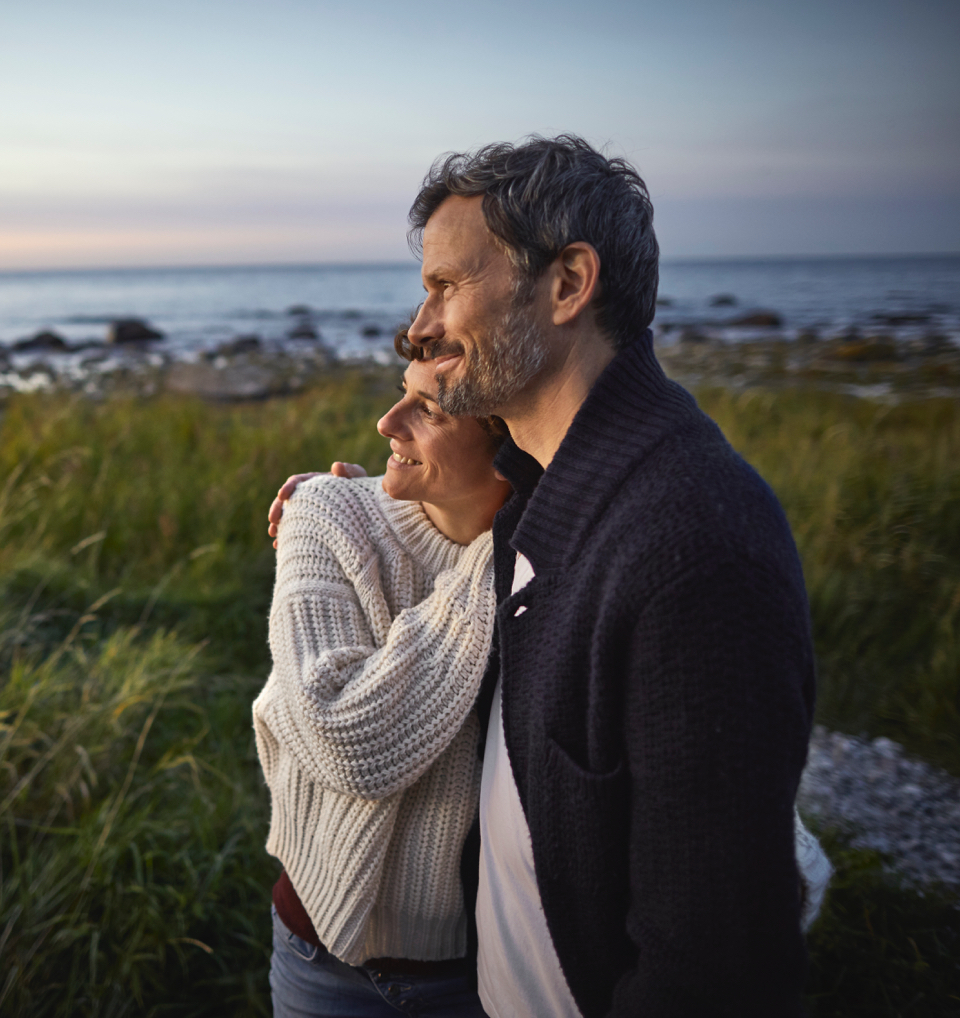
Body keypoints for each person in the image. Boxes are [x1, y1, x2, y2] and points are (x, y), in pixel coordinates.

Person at [399, 135, 818, 1018]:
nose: (420, 326)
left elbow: (713, 971)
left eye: (446, 285)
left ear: (567, 284)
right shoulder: (547, 490)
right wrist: (337, 511)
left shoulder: (696, 546)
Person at [253, 349, 511, 1017]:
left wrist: (513, 544)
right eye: (403, 393)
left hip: (485, 972)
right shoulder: (326, 511)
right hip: (322, 962)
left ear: (514, 443)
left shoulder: (550, 564)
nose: (385, 422)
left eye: (429, 410)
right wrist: (498, 559)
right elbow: (346, 738)